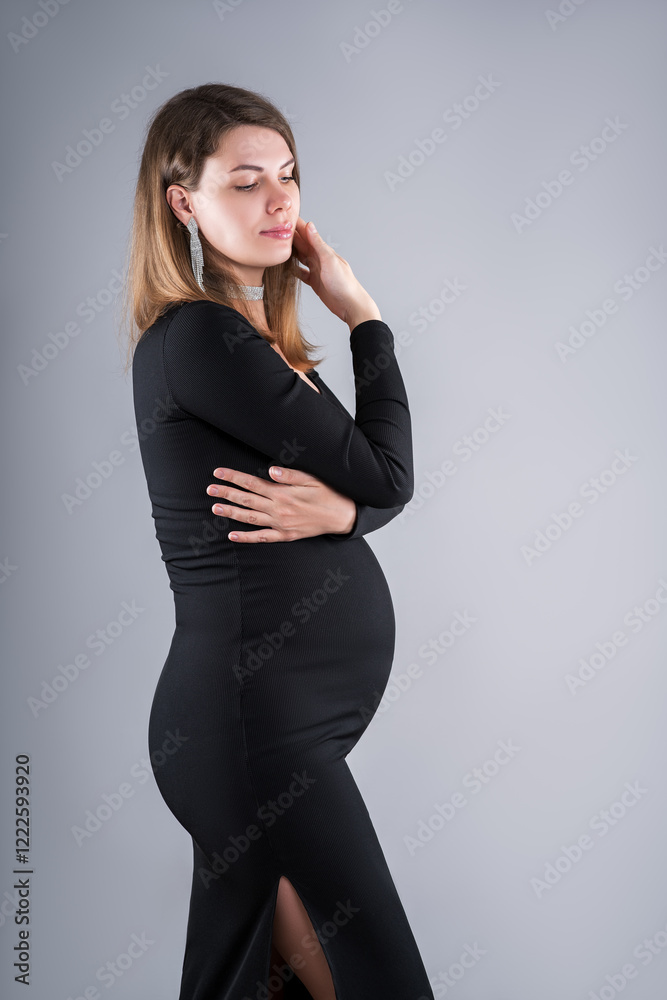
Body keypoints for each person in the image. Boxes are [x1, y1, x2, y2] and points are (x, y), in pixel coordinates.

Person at [123, 82, 434, 1000]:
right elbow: (387, 475)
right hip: (257, 734)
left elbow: (363, 491)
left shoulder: (246, 343)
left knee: (255, 987)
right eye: (246, 181)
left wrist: (342, 516)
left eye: (288, 176)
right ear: (185, 202)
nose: (280, 200)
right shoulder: (203, 340)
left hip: (264, 734)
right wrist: (366, 318)